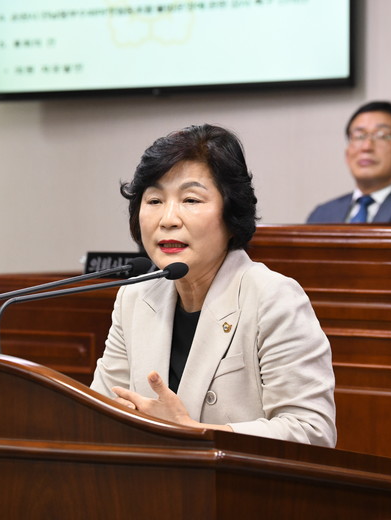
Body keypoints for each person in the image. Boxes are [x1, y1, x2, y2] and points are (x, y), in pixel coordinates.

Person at [90, 125, 337, 447]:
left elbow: (312, 433)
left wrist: (194, 433)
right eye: (154, 200)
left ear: (231, 215)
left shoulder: (272, 297)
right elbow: (99, 413)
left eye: (191, 199)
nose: (168, 219)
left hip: (237, 479)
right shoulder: (134, 297)